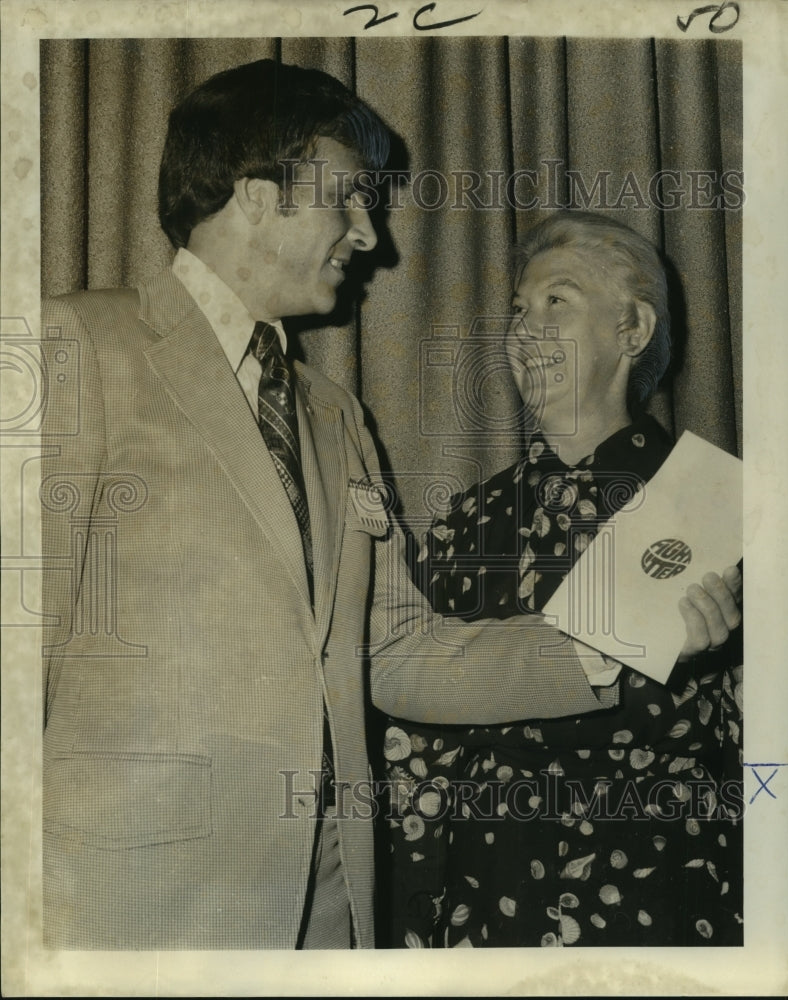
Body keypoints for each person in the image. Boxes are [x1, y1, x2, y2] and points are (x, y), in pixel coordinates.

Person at [43, 60, 714, 952]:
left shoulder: (333, 415)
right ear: (257, 196)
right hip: (121, 910)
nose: (370, 236)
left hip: (326, 915)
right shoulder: (74, 345)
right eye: (349, 198)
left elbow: (398, 654)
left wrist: (625, 636)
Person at [381, 211, 744, 948]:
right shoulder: (471, 521)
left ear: (633, 330)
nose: (524, 327)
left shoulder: (717, 505)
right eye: (519, 308)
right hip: (484, 892)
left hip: (653, 891)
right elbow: (409, 703)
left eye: (558, 301)